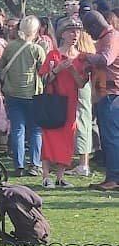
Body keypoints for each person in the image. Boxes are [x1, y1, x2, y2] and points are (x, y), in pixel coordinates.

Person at [38, 18, 89, 188]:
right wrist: (57, 69)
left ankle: (60, 177)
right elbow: (44, 78)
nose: (75, 35)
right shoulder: (53, 54)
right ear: (63, 34)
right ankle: (46, 176)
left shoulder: (81, 57)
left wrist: (73, 70)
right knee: (49, 137)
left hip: (70, 104)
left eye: (77, 31)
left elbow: (82, 83)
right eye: (71, 31)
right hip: (53, 102)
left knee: (67, 139)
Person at [0, 15, 45, 176]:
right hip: (33, 93)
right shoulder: (37, 49)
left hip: (13, 93)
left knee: (18, 129)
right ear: (36, 31)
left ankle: (19, 165)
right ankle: (35, 164)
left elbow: (0, 67)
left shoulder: (10, 47)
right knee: (36, 130)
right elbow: (43, 72)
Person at [80, 10, 119, 192]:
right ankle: (112, 176)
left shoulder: (112, 37)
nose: (88, 34)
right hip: (105, 94)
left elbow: (106, 59)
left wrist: (86, 57)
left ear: (95, 25)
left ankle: (114, 178)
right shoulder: (105, 38)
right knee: (108, 138)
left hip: (112, 95)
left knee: (112, 138)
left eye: (88, 30)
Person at [68, 25, 95, 177]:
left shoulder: (82, 57)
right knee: (84, 121)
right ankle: (83, 162)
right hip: (87, 89)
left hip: (81, 89)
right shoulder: (90, 53)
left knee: (82, 122)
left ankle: (83, 164)